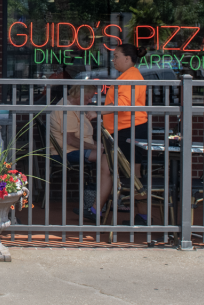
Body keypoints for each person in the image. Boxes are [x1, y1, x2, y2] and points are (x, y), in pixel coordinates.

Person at [101, 42, 150, 224]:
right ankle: (95, 210)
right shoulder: (128, 75)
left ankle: (143, 216)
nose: (113, 60)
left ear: (128, 59)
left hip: (129, 130)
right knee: (108, 168)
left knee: (133, 175)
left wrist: (98, 111)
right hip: (122, 130)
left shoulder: (132, 76)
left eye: (116, 56)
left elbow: (123, 104)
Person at [49, 84, 112, 221]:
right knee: (107, 159)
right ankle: (103, 199)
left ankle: (101, 199)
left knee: (109, 155)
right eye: (89, 98)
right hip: (67, 151)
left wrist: (101, 146)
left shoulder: (76, 108)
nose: (90, 101)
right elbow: (71, 140)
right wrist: (98, 148)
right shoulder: (66, 109)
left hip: (79, 148)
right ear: (80, 94)